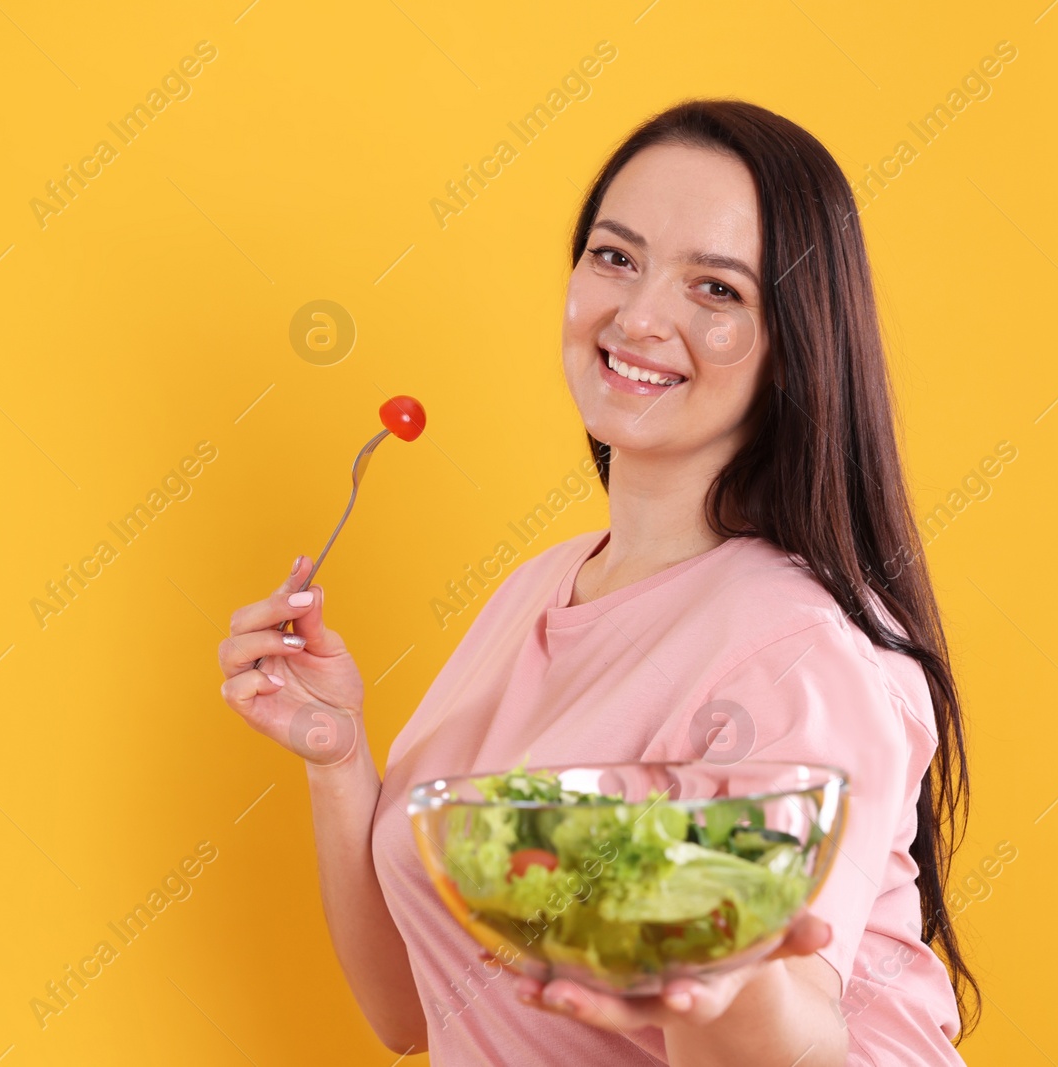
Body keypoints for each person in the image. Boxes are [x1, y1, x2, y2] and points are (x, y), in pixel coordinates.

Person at [219, 98, 976, 1065]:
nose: (642, 315)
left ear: (794, 344)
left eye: (717, 290)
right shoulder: (541, 589)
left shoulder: (802, 652)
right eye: (615, 257)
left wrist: (720, 973)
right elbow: (413, 1012)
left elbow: (789, 1031)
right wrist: (334, 755)